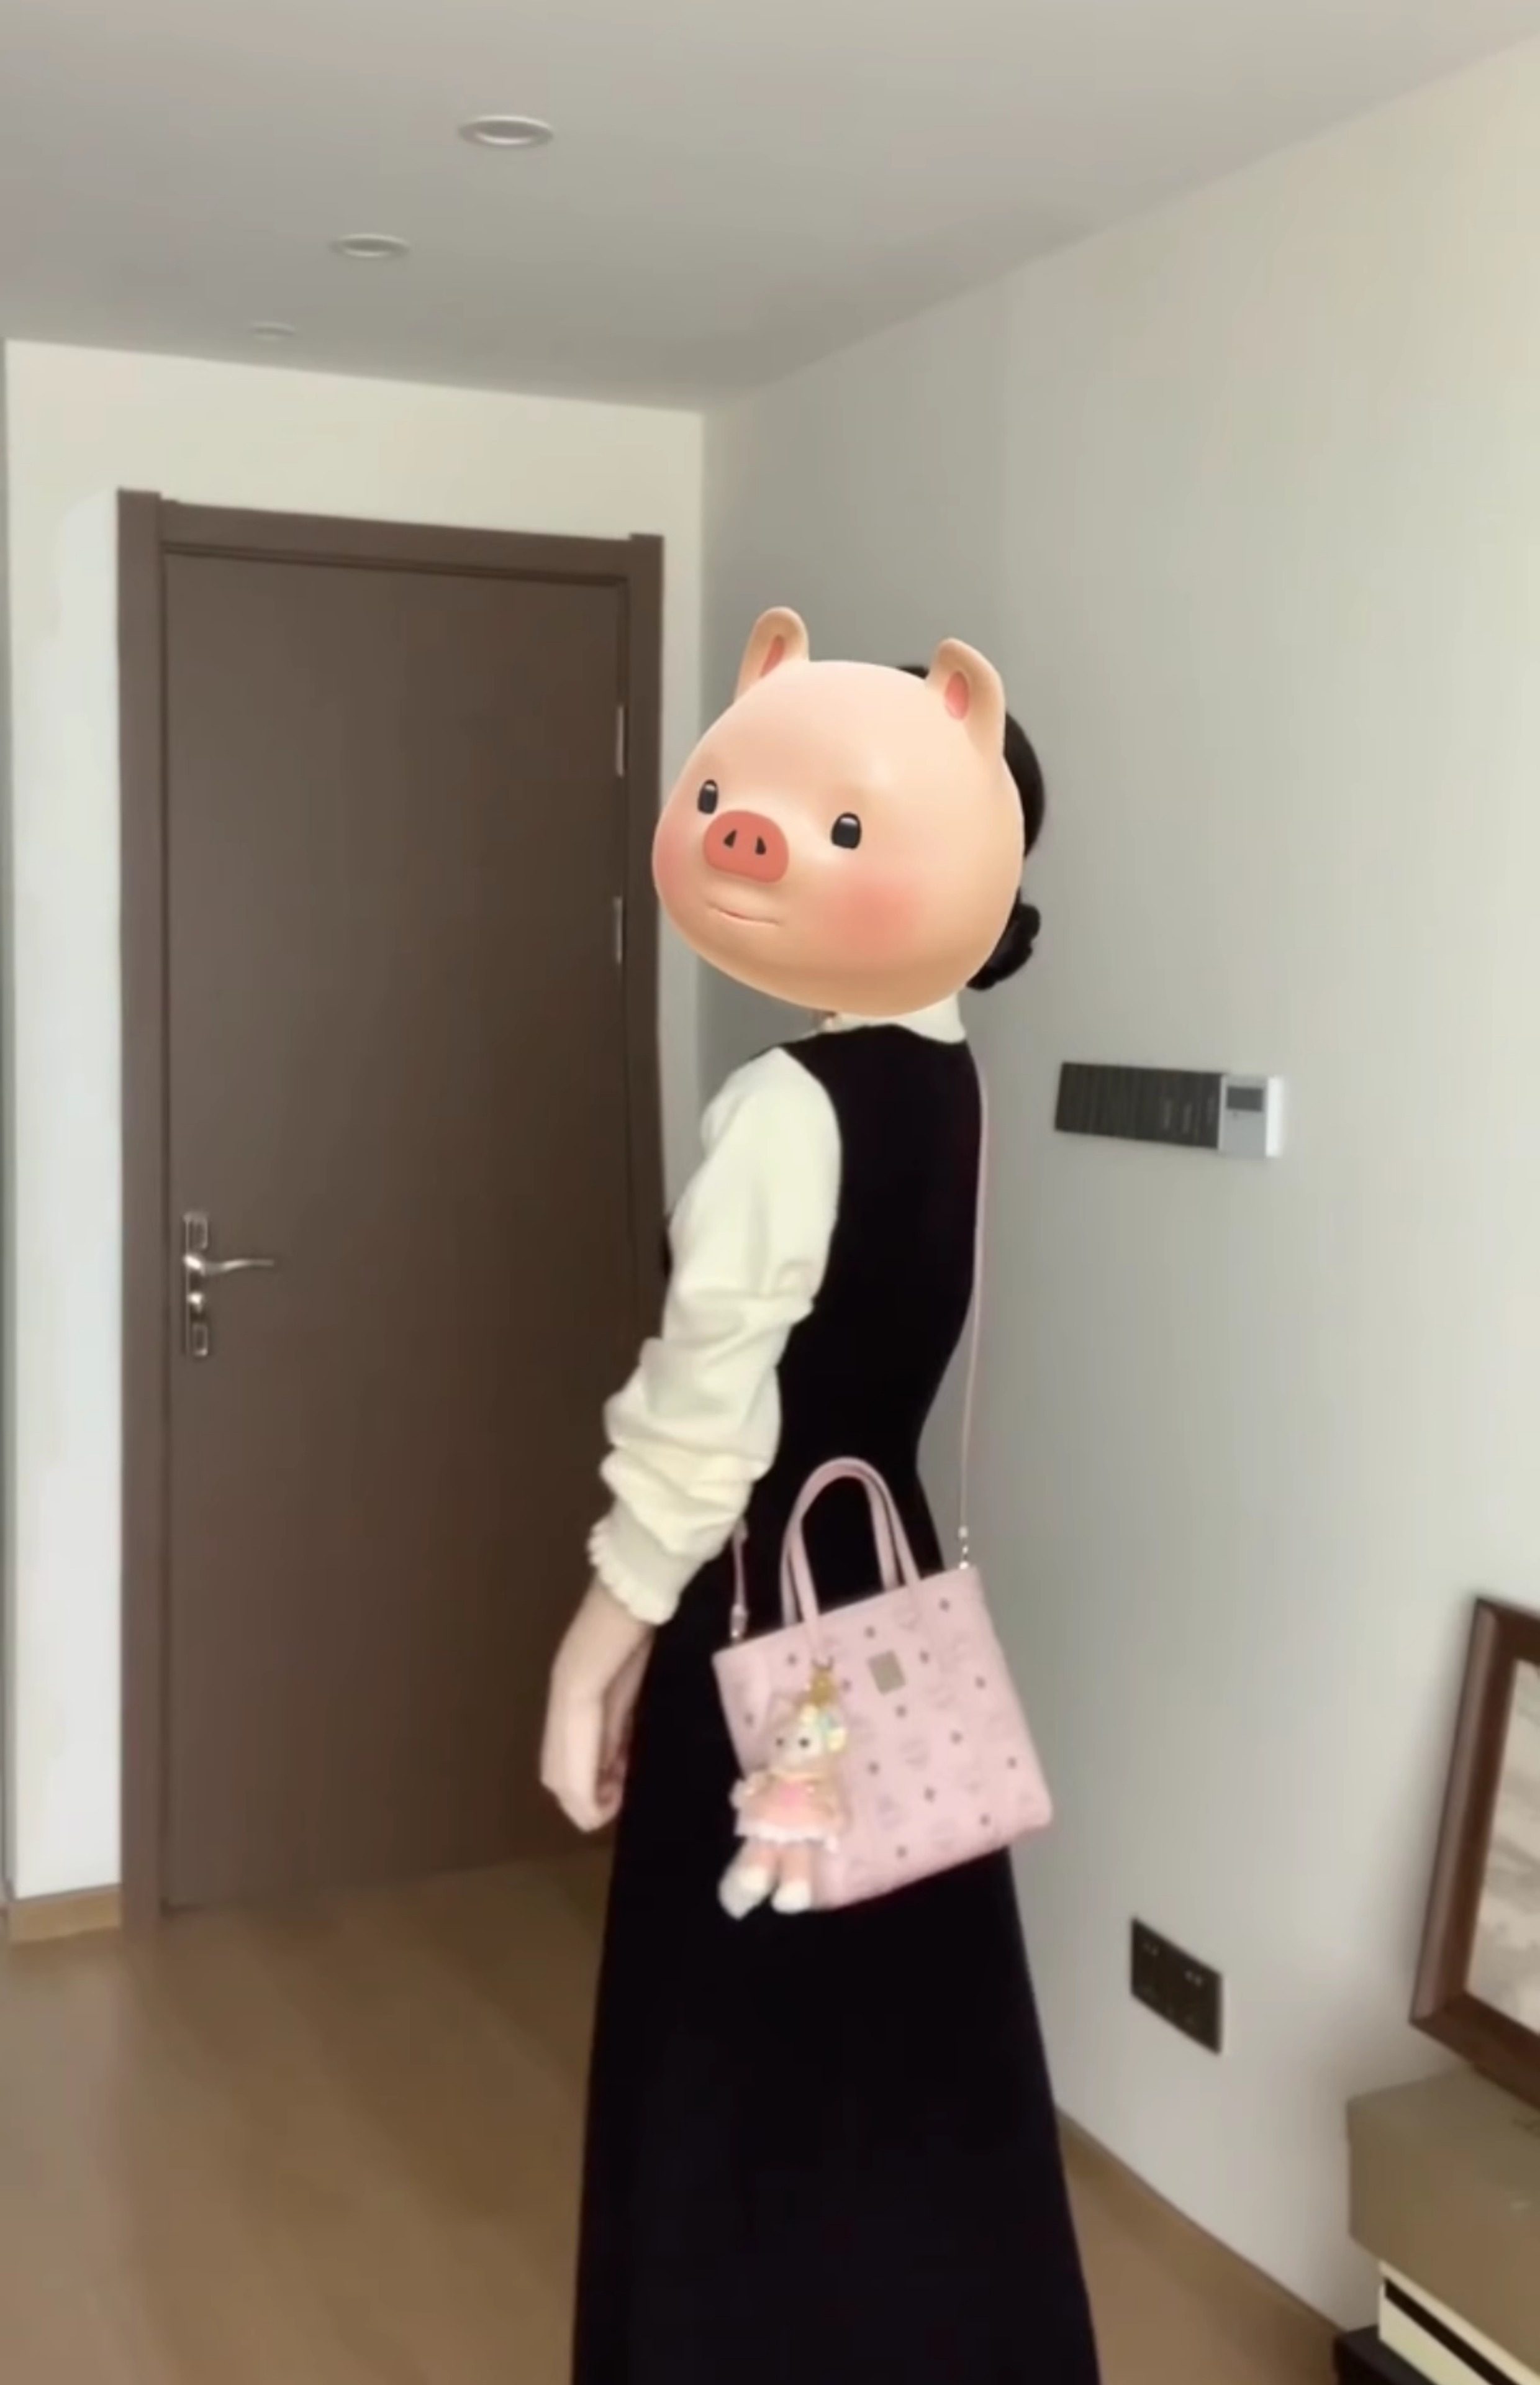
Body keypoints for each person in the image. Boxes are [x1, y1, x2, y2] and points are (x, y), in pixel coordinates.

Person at [541, 609, 1100, 2385]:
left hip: (758, 1617)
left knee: (736, 2046)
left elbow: (707, 1421)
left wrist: (597, 1644)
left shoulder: (789, 1106)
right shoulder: (954, 1084)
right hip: (886, 1596)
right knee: (917, 2043)